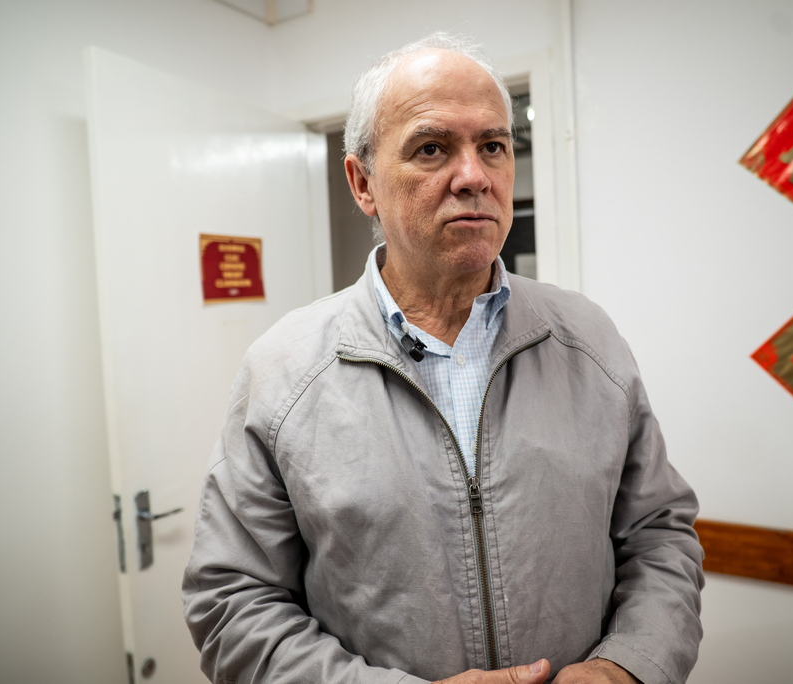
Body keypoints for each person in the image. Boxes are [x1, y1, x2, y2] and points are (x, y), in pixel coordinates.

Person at [183, 33, 704, 684]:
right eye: (431, 148)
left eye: (493, 146)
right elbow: (232, 603)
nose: (474, 176)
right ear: (363, 182)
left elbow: (660, 536)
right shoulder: (284, 371)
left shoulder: (588, 341)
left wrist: (626, 667)